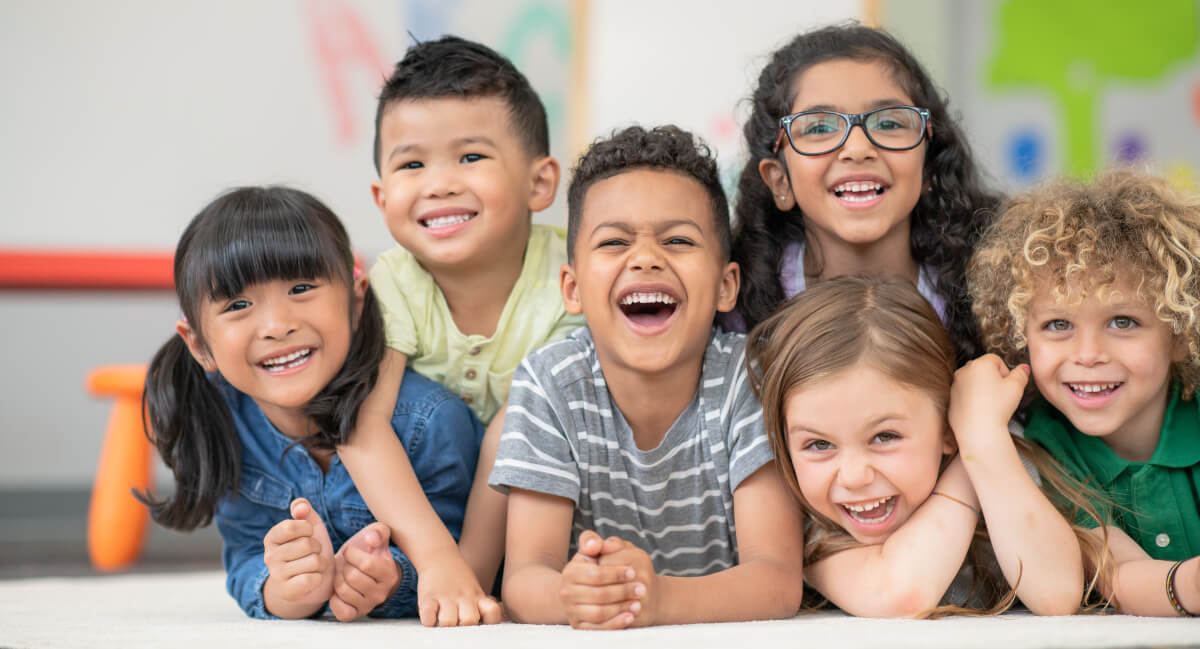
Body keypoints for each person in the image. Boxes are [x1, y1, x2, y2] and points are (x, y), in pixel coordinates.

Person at [490, 125, 805, 629]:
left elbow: (777, 579)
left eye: (678, 240)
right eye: (614, 242)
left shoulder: (751, 379)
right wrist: (573, 599)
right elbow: (526, 580)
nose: (645, 258)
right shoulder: (549, 385)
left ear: (726, 286)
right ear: (571, 289)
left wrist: (654, 601)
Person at [139, 186, 482, 621]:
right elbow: (246, 553)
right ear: (198, 345)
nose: (278, 326)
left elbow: (472, 561)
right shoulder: (225, 423)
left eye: (301, 288)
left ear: (356, 301)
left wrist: (393, 579)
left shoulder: (428, 420)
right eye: (239, 305)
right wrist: (283, 592)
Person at [336, 35, 584, 624]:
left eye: (470, 157)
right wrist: (437, 558)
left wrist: (465, 574)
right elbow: (362, 429)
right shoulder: (394, 282)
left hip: (546, 515)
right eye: (412, 164)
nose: (440, 183)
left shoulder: (569, 279)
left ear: (539, 183)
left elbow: (515, 433)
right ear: (382, 195)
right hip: (425, 512)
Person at [746, 275, 1107, 617]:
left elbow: (1057, 592)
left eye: (884, 437)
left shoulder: (996, 456)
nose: (854, 477)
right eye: (819, 444)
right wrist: (972, 448)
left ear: (945, 425)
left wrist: (982, 438)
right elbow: (902, 594)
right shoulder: (817, 535)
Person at [969, 169, 1200, 617]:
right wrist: (1189, 584)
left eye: (1122, 322)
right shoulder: (1045, 452)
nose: (1088, 354)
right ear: (1022, 337)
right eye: (1059, 325)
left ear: (1179, 335)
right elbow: (1117, 574)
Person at [726, 23, 999, 365]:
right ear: (780, 181)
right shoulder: (741, 310)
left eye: (888, 123)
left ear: (928, 165)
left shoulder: (991, 301)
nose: (858, 148)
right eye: (820, 127)